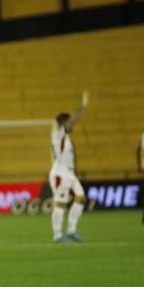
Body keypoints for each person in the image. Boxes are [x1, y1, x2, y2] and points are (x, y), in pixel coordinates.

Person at [50, 91, 89, 243]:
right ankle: (57, 235)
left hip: (70, 174)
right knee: (61, 203)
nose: (72, 125)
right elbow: (73, 119)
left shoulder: (66, 138)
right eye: (69, 122)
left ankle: (72, 230)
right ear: (63, 124)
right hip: (60, 173)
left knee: (80, 197)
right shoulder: (58, 134)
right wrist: (83, 106)